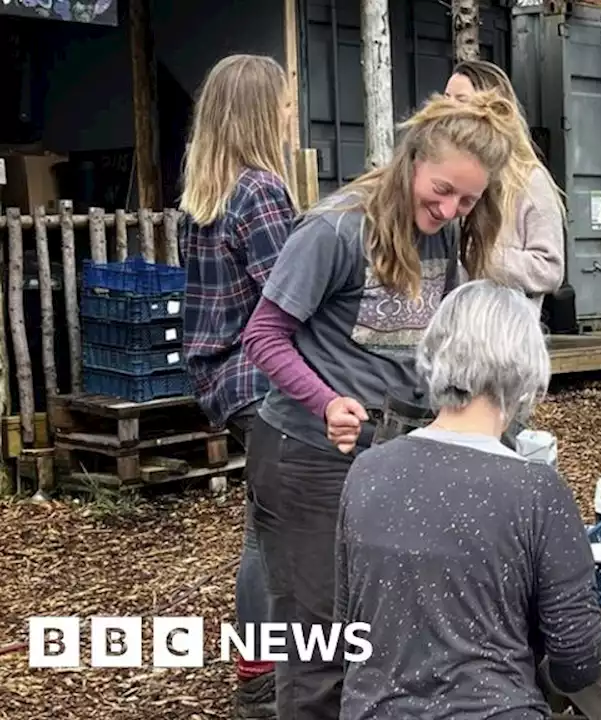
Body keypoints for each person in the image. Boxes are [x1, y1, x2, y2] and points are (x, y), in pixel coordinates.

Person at [240, 90, 528, 720]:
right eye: (443, 188)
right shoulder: (337, 228)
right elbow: (262, 335)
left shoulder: (445, 236)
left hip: (386, 455)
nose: (450, 208)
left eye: (468, 200)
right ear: (411, 159)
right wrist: (324, 401)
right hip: (307, 454)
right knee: (319, 639)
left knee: (377, 624)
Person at [334, 279, 601, 719]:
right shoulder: (536, 490)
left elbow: (348, 627)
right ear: (526, 367)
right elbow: (578, 660)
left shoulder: (368, 469)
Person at [177, 53, 298, 720]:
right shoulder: (261, 192)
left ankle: (267, 672)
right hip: (267, 386)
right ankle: (265, 683)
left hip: (223, 381)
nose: (289, 116)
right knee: (274, 535)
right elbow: (295, 303)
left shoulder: (203, 194)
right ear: (258, 114)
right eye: (281, 106)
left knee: (264, 529)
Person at [443, 60, 566, 309]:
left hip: (505, 339)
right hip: (450, 337)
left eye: (461, 99)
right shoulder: (437, 174)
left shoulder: (528, 180)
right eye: (445, 98)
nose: (447, 109)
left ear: (494, 109)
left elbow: (550, 269)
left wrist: (482, 259)